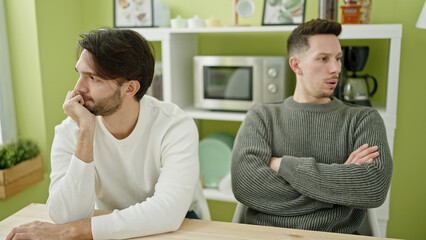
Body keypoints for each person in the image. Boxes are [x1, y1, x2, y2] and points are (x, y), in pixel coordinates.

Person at [7, 28, 206, 240]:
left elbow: (168, 212)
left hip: (178, 227)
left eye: (93, 78)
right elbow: (65, 216)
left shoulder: (174, 125)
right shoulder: (71, 129)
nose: (77, 88)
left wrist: (72, 231)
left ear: (129, 88)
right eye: (79, 74)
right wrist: (85, 131)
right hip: (109, 226)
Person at [231, 19, 393, 234]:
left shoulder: (363, 119)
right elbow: (246, 186)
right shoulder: (261, 117)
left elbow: (373, 189)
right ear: (296, 65)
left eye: (338, 58)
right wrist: (340, 193)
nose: (335, 68)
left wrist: (283, 165)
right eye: (323, 59)